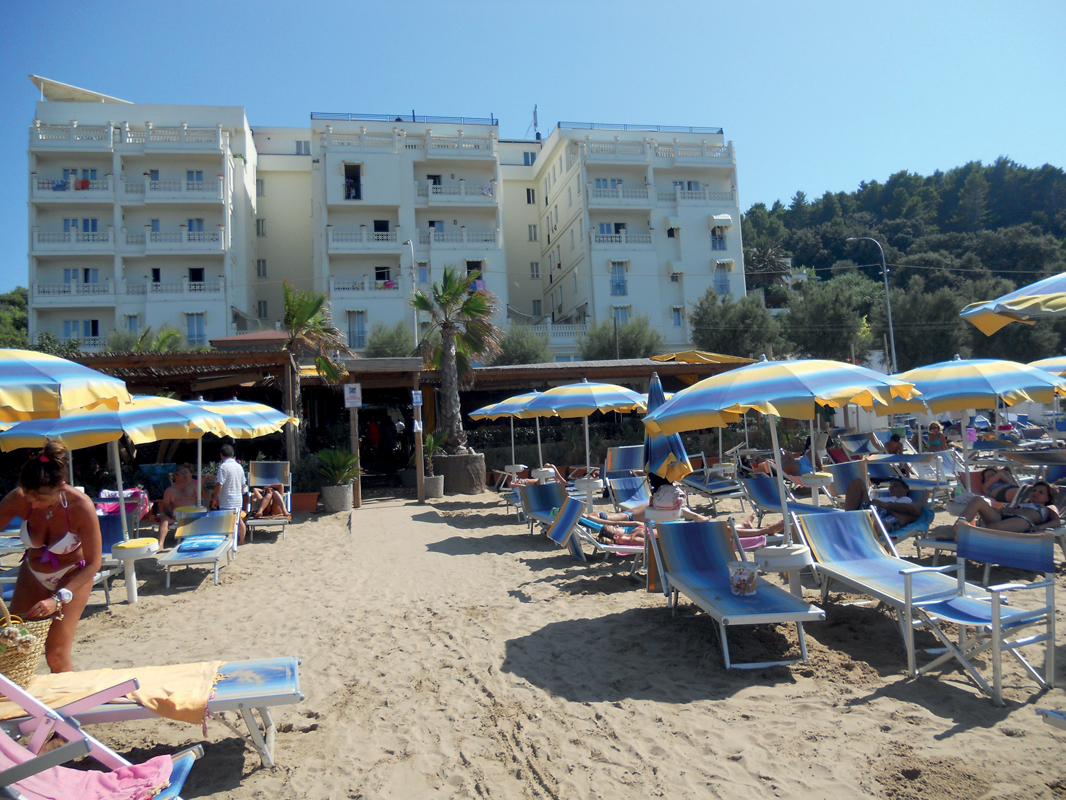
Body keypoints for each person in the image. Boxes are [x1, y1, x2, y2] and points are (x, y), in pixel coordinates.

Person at [0, 442, 102, 673]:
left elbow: (94, 563)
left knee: (55, 655)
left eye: (41, 499)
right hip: (33, 573)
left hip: (72, 575)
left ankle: (71, 696)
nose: (34, 505)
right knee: (13, 645)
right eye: (29, 498)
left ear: (60, 487)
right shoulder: (20, 498)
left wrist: (57, 600)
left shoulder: (81, 507)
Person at [954, 480, 1060, 535]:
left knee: (992, 528)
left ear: (1048, 498)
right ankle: (955, 529)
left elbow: (1057, 522)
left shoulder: (1048, 507)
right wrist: (1004, 509)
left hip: (1023, 521)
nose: (1035, 493)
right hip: (1003, 516)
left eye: (1041, 492)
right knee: (977, 500)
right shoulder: (1023, 503)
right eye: (1034, 490)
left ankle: (965, 536)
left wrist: (1041, 527)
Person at [844, 477, 920, 533]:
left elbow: (915, 510)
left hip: (882, 519)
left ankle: (854, 528)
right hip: (867, 511)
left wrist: (885, 505)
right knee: (857, 482)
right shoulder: (884, 498)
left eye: (895, 486)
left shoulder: (908, 501)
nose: (891, 488)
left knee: (883, 523)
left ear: (905, 490)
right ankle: (847, 519)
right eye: (890, 487)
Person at [209, 444, 247, 544]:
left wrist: (215, 497)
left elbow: (219, 484)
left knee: (227, 521)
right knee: (239, 520)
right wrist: (241, 493)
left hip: (227, 498)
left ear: (221, 455)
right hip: (238, 498)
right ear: (232, 454)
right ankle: (242, 540)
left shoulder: (223, 467)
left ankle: (229, 541)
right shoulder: (239, 467)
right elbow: (243, 484)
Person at [154, 464, 199, 548]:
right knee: (164, 520)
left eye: (185, 473)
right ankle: (160, 545)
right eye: (182, 474)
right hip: (176, 515)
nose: (185, 475)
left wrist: (202, 485)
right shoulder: (170, 490)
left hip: (192, 514)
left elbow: (203, 498)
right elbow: (166, 506)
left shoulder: (193, 487)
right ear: (176, 476)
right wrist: (171, 516)